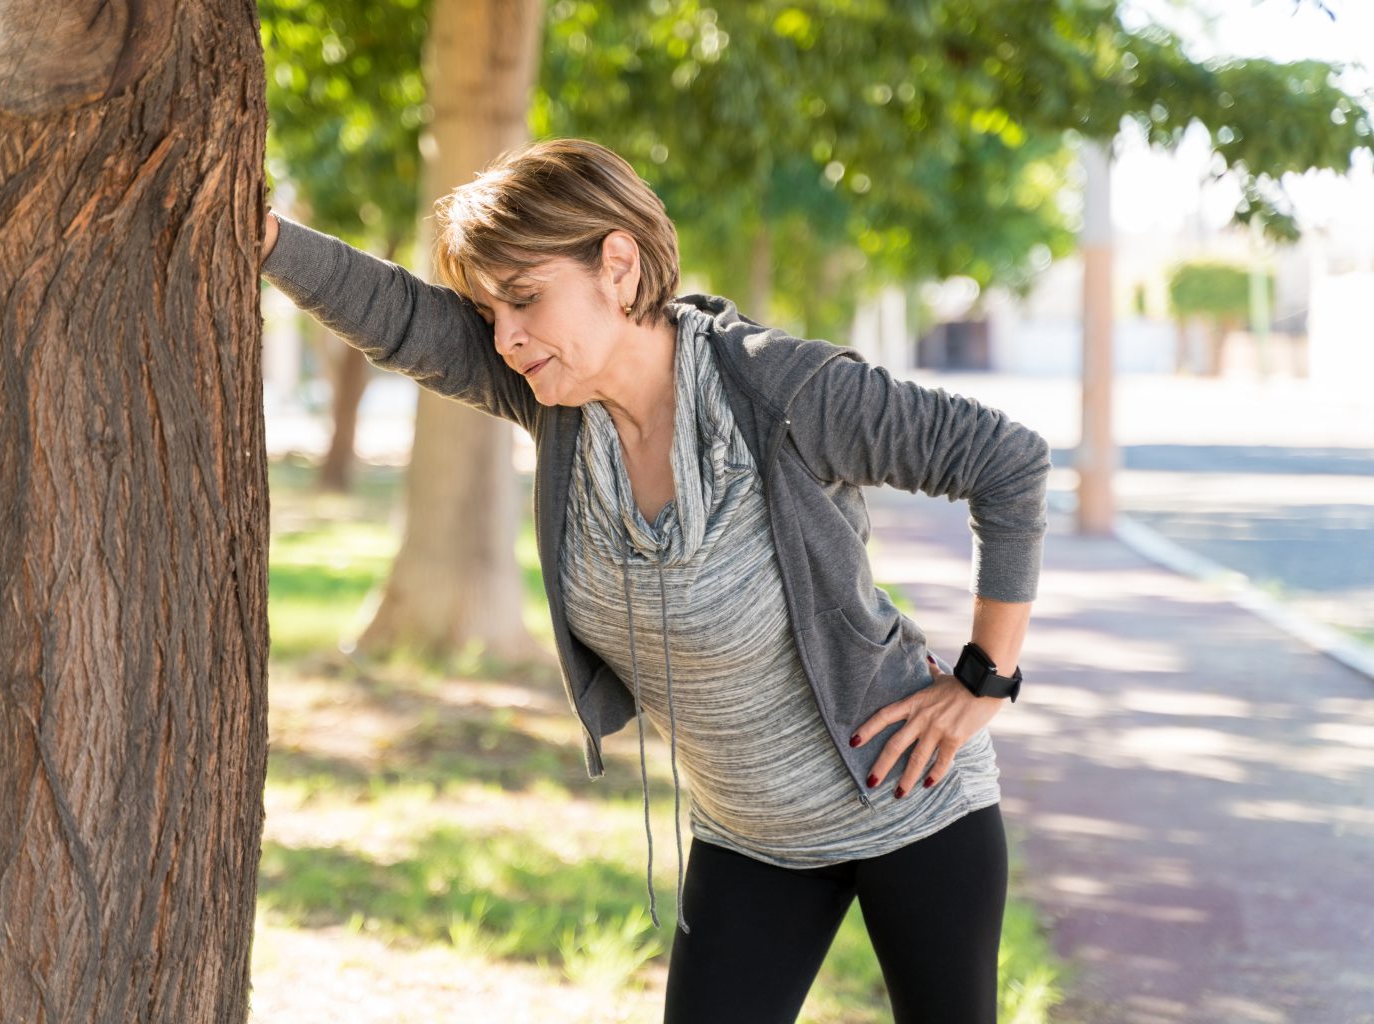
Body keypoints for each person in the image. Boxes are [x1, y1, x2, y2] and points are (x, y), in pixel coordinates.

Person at [259, 136, 1049, 1024]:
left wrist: (986, 679)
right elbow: (404, 317)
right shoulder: (557, 403)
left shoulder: (782, 394)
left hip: (910, 808)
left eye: (524, 298)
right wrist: (266, 236)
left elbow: (1006, 462)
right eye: (489, 313)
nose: (506, 335)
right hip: (750, 839)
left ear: (618, 265)